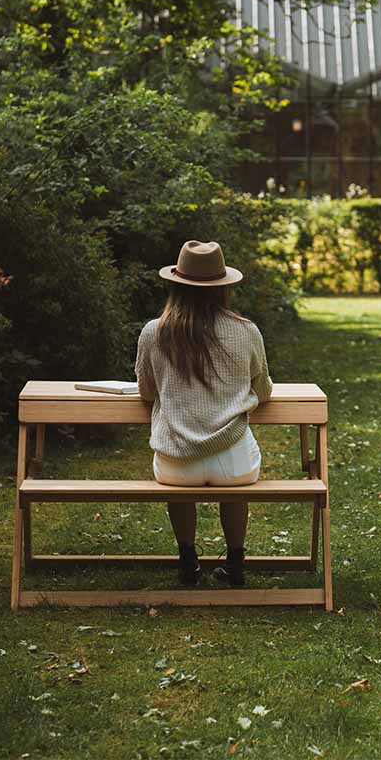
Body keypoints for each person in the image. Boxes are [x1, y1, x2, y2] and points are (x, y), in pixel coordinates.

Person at [135, 240, 273, 588]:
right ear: (223, 286)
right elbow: (264, 391)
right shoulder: (246, 331)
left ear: (176, 285)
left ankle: (188, 563)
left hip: (176, 461)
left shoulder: (155, 332)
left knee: (178, 482)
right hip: (234, 462)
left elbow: (147, 391)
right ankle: (236, 565)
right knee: (235, 487)